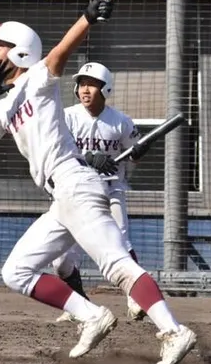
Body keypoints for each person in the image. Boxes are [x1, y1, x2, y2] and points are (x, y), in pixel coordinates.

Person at [0, 0, 197, 364]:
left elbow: (58, 55)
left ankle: (173, 331)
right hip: (61, 197)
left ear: (19, 53)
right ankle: (90, 315)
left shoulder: (37, 77)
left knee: (118, 266)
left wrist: (86, 19)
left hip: (75, 183)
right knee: (16, 271)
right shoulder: (4, 104)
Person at [53, 62, 145, 322]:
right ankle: (79, 305)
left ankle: (136, 297)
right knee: (61, 261)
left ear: (106, 89)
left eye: (91, 84)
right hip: (73, 191)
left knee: (121, 241)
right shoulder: (68, 116)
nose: (85, 89)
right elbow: (60, 151)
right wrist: (90, 158)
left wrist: (139, 152)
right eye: (82, 84)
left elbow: (135, 154)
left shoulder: (121, 122)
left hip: (110, 189)